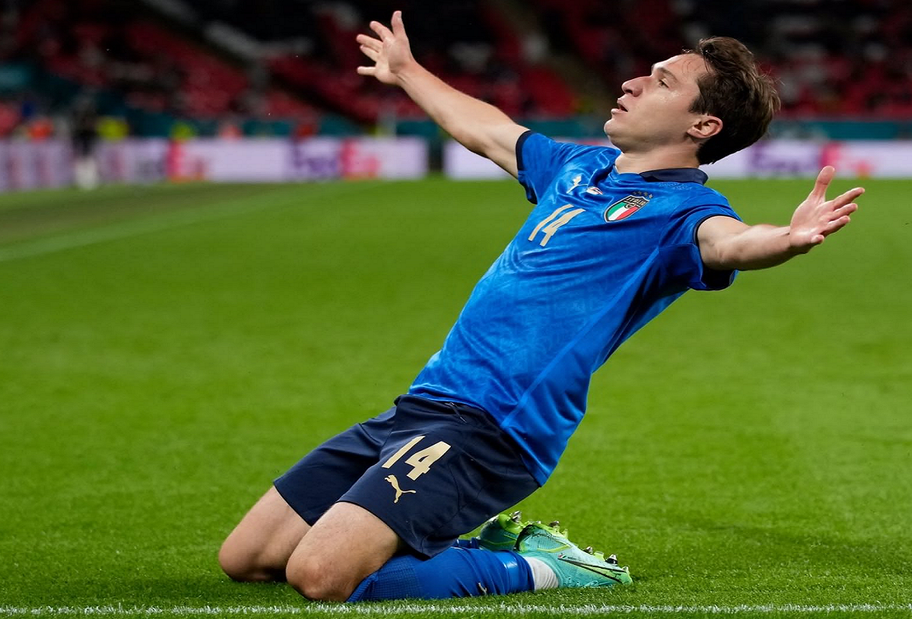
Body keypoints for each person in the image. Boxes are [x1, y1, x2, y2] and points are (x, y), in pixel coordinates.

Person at [218, 11, 864, 603]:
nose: (634, 83)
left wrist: (786, 239)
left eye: (663, 82)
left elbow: (729, 243)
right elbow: (489, 131)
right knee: (247, 557)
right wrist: (407, 71)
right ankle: (438, 540)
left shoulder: (685, 210)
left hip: (493, 428)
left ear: (703, 126)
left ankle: (542, 566)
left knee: (320, 575)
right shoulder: (579, 167)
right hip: (424, 404)